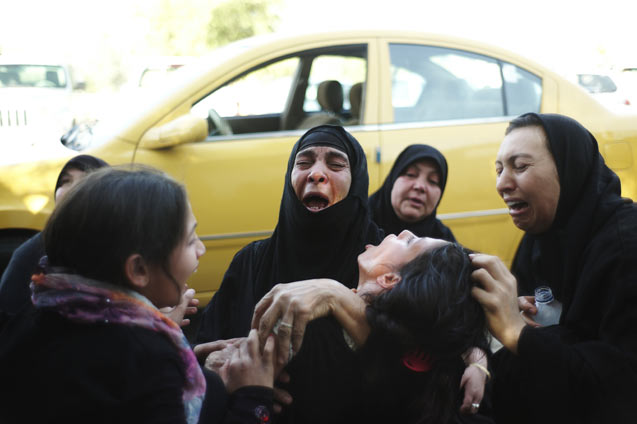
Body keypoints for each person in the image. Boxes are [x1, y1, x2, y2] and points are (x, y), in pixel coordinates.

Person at [0, 166, 275, 424]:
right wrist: (254, 397)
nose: (201, 249)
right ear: (138, 269)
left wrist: (193, 361)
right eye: (191, 240)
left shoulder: (35, 315)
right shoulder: (147, 359)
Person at [199, 232, 493, 423]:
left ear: (389, 280)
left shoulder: (303, 330)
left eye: (408, 242)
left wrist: (210, 380)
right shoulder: (433, 370)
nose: (401, 232)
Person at [471, 113, 637, 423]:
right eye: (499, 170)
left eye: (520, 167)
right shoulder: (538, 242)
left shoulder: (626, 248)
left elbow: (621, 386)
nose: (502, 184)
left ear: (568, 168)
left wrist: (517, 333)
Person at [195, 124, 383, 344]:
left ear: (356, 183)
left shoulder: (381, 263)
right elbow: (204, 352)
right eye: (303, 163)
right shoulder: (250, 264)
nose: (316, 174)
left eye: (336, 165)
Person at [0, 154, 109, 316]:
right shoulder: (32, 253)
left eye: (86, 181)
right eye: (65, 181)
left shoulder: (119, 248)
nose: (73, 188)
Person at [368, 144, 455, 241]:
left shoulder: (442, 240)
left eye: (433, 181)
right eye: (411, 174)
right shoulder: (358, 223)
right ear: (392, 180)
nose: (420, 186)